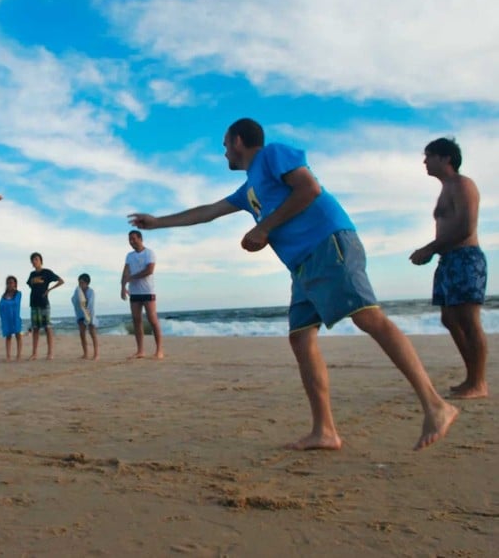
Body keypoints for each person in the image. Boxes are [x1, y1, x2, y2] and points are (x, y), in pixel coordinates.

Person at [128, 118, 458, 451]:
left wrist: (264, 228)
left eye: (225, 144)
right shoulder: (249, 189)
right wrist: (158, 223)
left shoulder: (273, 154)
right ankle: (325, 431)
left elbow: (309, 188)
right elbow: (209, 211)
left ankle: (435, 405)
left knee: (368, 318)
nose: (224, 151)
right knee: (300, 338)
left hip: (329, 244)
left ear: (239, 140)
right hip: (302, 265)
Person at [410, 137, 488, 399]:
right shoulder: (445, 189)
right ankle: (471, 378)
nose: (424, 161)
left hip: (466, 258)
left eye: (429, 155)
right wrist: (435, 251)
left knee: (468, 319)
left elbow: (466, 227)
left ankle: (478, 383)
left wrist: (429, 248)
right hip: (449, 260)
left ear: (445, 158)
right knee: (449, 318)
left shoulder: (463, 185)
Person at [121, 230, 164, 359]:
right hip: (134, 292)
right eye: (130, 239)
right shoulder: (129, 256)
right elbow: (125, 272)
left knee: (152, 319)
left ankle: (159, 350)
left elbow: (149, 270)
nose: (131, 241)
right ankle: (140, 350)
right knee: (136, 320)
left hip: (147, 291)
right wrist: (122, 287)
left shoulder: (149, 253)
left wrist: (132, 277)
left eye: (133, 239)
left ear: (140, 238)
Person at [26, 252, 64, 360]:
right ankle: (34, 353)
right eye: (33, 260)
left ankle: (50, 353)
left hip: (44, 303)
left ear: (40, 261)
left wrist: (49, 289)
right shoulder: (32, 275)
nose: (34, 261)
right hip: (34, 303)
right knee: (35, 329)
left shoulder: (47, 272)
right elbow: (31, 285)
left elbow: (61, 281)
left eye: (36, 259)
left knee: (47, 328)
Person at [72, 273, 99, 360]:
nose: (80, 284)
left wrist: (88, 315)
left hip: (89, 314)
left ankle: (96, 354)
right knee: (82, 334)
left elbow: (90, 304)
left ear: (87, 283)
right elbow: (74, 300)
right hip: (80, 314)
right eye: (79, 282)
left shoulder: (91, 291)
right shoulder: (77, 291)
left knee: (92, 333)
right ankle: (85, 353)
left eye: (82, 282)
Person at [0, 275, 23, 361]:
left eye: (11, 282)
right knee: (8, 337)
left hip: (15, 317)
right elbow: (0, 305)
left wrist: (7, 303)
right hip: (7, 319)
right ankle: (8, 356)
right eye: (8, 283)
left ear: (15, 284)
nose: (10, 284)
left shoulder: (18, 293)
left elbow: (15, 303)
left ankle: (18, 355)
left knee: (18, 335)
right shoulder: (4, 295)